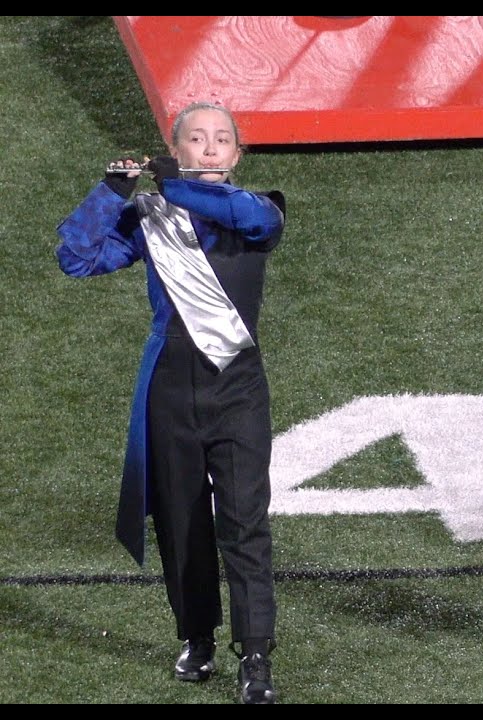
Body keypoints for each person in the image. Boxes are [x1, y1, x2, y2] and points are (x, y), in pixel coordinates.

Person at [56, 101, 285, 705]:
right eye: (195, 140)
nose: (210, 150)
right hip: (168, 388)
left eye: (221, 141)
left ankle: (256, 654)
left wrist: (176, 186)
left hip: (236, 389)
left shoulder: (259, 208)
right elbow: (77, 257)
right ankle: (196, 637)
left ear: (238, 155)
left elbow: (242, 215)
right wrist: (111, 192)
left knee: (243, 522)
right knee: (181, 523)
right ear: (174, 149)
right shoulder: (154, 216)